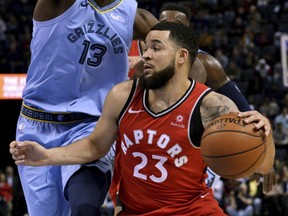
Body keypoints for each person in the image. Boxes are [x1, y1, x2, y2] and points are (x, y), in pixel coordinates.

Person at [10, 22, 275, 215]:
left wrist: (265, 135)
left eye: (156, 48)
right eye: (146, 47)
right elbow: (94, 146)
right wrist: (46, 156)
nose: (146, 54)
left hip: (193, 211)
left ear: (182, 57)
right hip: (135, 211)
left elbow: (259, 162)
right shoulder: (122, 95)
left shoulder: (210, 106)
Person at [14, 0, 158, 215]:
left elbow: (183, 53)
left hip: (92, 125)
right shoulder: (55, 5)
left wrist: (149, 65)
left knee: (84, 207)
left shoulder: (134, 15)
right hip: (37, 125)